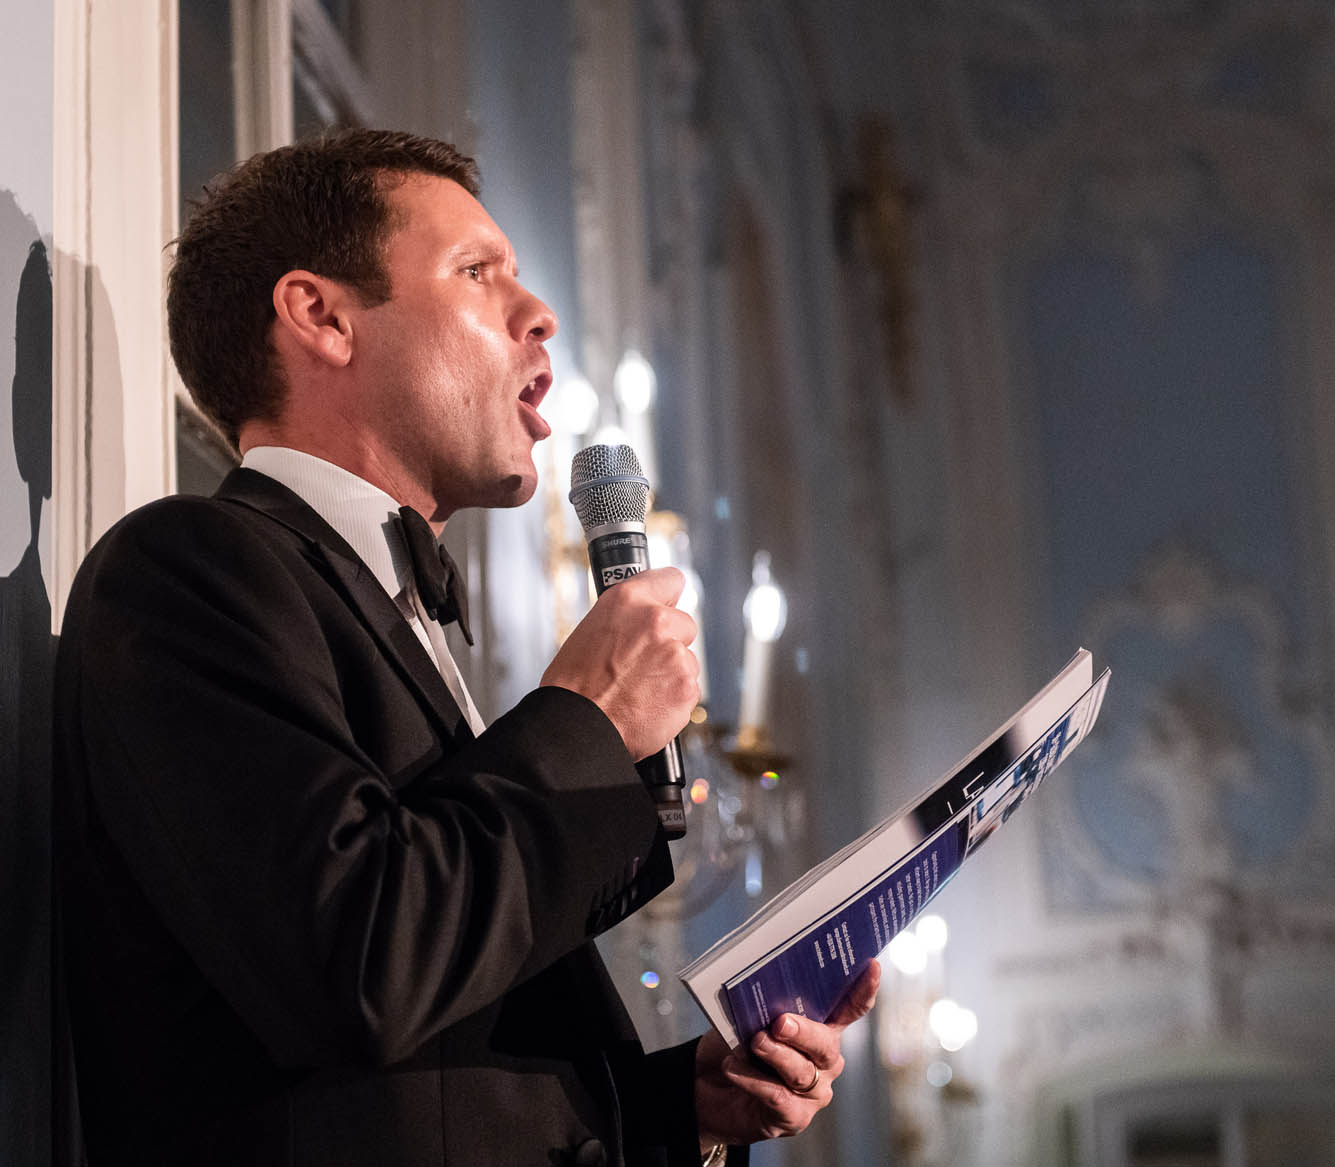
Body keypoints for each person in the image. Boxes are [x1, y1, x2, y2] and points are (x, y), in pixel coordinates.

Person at [53, 128, 879, 1166]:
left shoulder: (400, 616)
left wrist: (685, 1110)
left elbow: (441, 1073)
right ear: (321, 317)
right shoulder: (185, 571)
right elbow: (362, 957)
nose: (539, 314)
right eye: (478, 272)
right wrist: (587, 718)